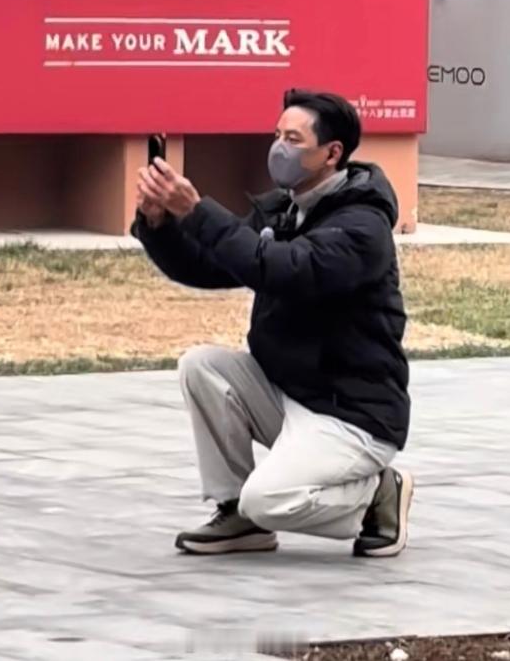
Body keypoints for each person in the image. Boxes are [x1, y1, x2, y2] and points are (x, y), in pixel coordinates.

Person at [132, 89, 413, 559]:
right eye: (277, 135)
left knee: (267, 500)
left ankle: (377, 493)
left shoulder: (362, 227)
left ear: (332, 153)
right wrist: (158, 225)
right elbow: (211, 265)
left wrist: (197, 211)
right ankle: (237, 516)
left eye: (293, 139)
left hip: (351, 413)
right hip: (290, 391)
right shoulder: (285, 208)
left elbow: (282, 269)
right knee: (203, 365)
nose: (279, 148)